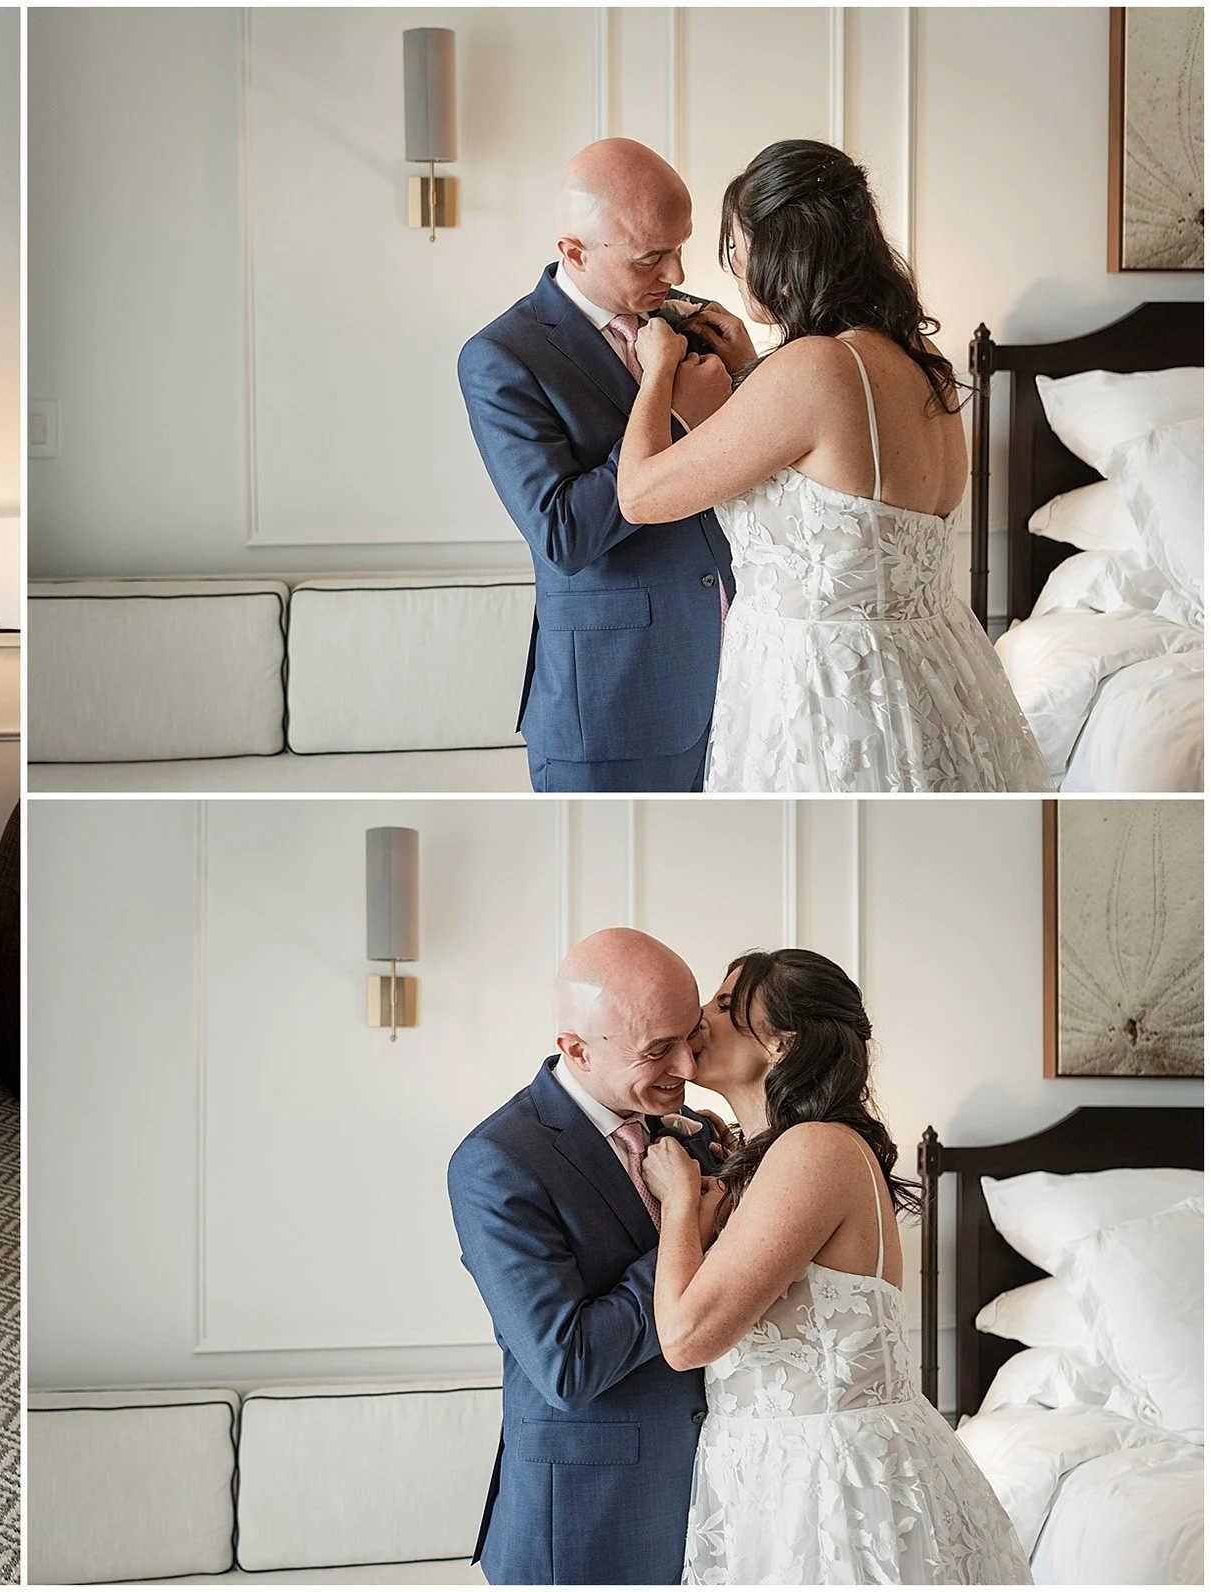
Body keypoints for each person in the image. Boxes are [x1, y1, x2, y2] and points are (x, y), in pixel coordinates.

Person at [616, 140, 1048, 792]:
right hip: (937, 680)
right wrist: (746, 372)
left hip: (828, 697)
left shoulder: (814, 368)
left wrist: (657, 375)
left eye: (736, 249)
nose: (736, 272)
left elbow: (641, 496)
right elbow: (830, 484)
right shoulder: (921, 358)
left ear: (781, 249)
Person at [641, 949, 1031, 1582]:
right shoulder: (772, 1158)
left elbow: (686, 1339)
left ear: (782, 1043)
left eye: (722, 1004)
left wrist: (682, 1206)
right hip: (769, 1476)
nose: (700, 1016)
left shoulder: (814, 1150)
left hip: (831, 1487)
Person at [460, 138, 752, 792]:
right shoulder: (502, 358)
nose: (676, 273)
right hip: (615, 705)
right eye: (653, 255)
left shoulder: (690, 323)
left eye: (683, 246)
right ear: (574, 252)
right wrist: (671, 414)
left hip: (743, 689)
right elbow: (563, 534)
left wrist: (750, 367)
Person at [446, 928, 733, 1584]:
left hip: (718, 1501)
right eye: (658, 1050)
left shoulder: (691, 1133)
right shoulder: (498, 1161)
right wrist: (682, 1233)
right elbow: (567, 1364)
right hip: (585, 1520)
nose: (688, 1069)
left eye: (689, 1037)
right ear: (575, 1049)